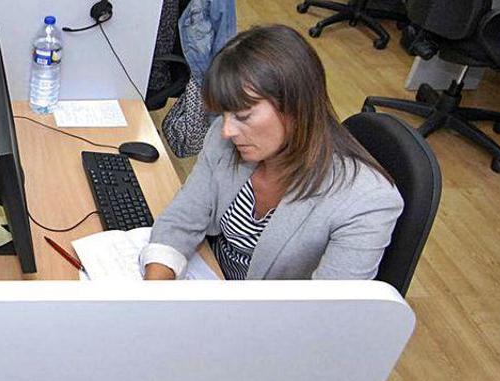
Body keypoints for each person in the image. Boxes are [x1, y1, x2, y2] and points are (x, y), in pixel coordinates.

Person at [140, 25, 403, 281]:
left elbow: (328, 313)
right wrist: (155, 293)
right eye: (225, 114)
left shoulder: (367, 201)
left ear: (296, 107)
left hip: (271, 319)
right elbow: (185, 215)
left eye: (243, 116)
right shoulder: (229, 136)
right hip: (213, 279)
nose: (227, 130)